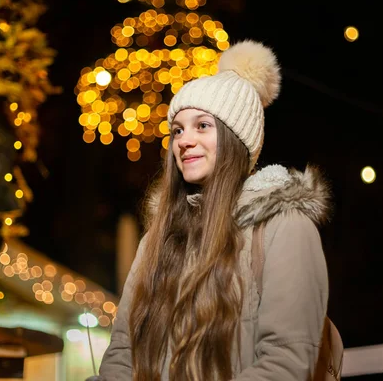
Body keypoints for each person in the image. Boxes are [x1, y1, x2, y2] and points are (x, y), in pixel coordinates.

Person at [98, 40, 332, 380]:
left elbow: (287, 362)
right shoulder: (156, 241)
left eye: (202, 125)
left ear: (236, 139)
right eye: (177, 130)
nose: (184, 140)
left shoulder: (284, 227)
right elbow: (122, 353)